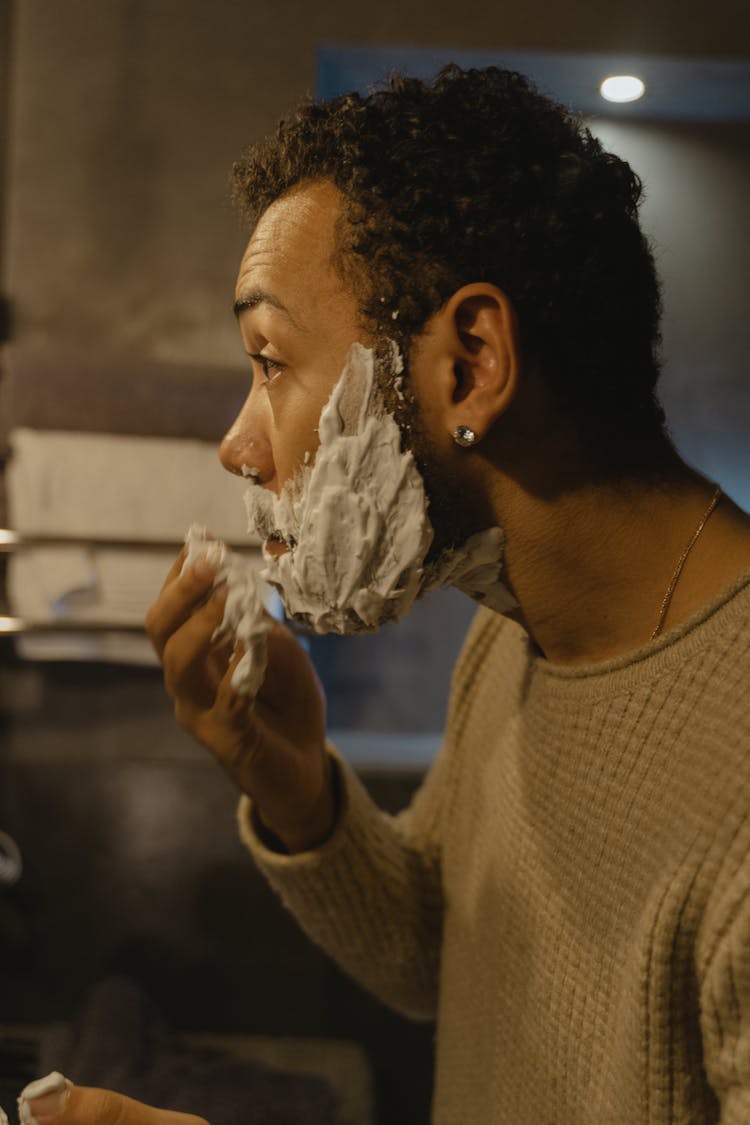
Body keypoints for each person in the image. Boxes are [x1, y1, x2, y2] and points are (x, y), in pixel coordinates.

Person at [52, 66, 750, 1124]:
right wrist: (299, 795)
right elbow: (446, 953)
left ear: (470, 363)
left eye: (271, 361)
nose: (237, 445)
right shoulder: (518, 633)